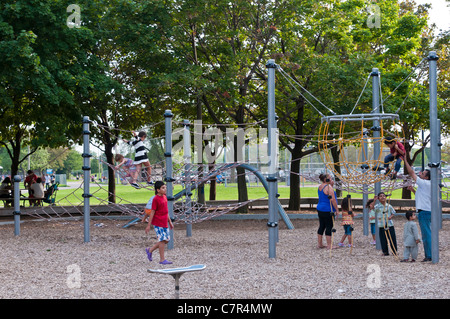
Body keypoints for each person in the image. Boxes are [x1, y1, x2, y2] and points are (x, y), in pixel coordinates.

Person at [404, 159, 432, 262]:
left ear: (427, 177)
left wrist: (405, 160)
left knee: (426, 234)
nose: (420, 174)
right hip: (426, 210)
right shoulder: (427, 185)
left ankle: (429, 255)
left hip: (424, 211)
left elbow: (411, 172)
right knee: (427, 233)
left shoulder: (424, 183)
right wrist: (412, 190)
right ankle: (429, 254)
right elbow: (422, 197)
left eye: (423, 173)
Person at [144, 181, 174, 265]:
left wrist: (170, 222)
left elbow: (166, 211)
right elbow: (152, 212)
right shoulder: (155, 199)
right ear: (158, 190)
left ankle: (150, 250)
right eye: (163, 188)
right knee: (162, 240)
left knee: (166, 240)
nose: (165, 189)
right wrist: (149, 225)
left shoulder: (164, 197)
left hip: (164, 222)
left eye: (165, 187)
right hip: (158, 223)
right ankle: (162, 259)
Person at [316, 173, 340, 249]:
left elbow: (326, 195)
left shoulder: (321, 186)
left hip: (320, 208)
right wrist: (337, 209)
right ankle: (329, 245)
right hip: (327, 209)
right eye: (330, 178)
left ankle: (320, 243)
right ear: (325, 179)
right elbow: (333, 199)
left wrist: (331, 186)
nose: (331, 179)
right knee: (329, 226)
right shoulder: (328, 187)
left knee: (322, 225)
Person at [373, 192, 398, 256]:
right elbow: (373, 208)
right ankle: (385, 252)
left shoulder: (388, 206)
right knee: (383, 239)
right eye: (381, 196)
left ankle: (394, 251)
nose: (382, 197)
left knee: (392, 238)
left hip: (389, 224)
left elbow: (393, 212)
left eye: (383, 196)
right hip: (381, 225)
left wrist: (390, 217)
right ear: (378, 198)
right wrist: (374, 200)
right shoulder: (378, 206)